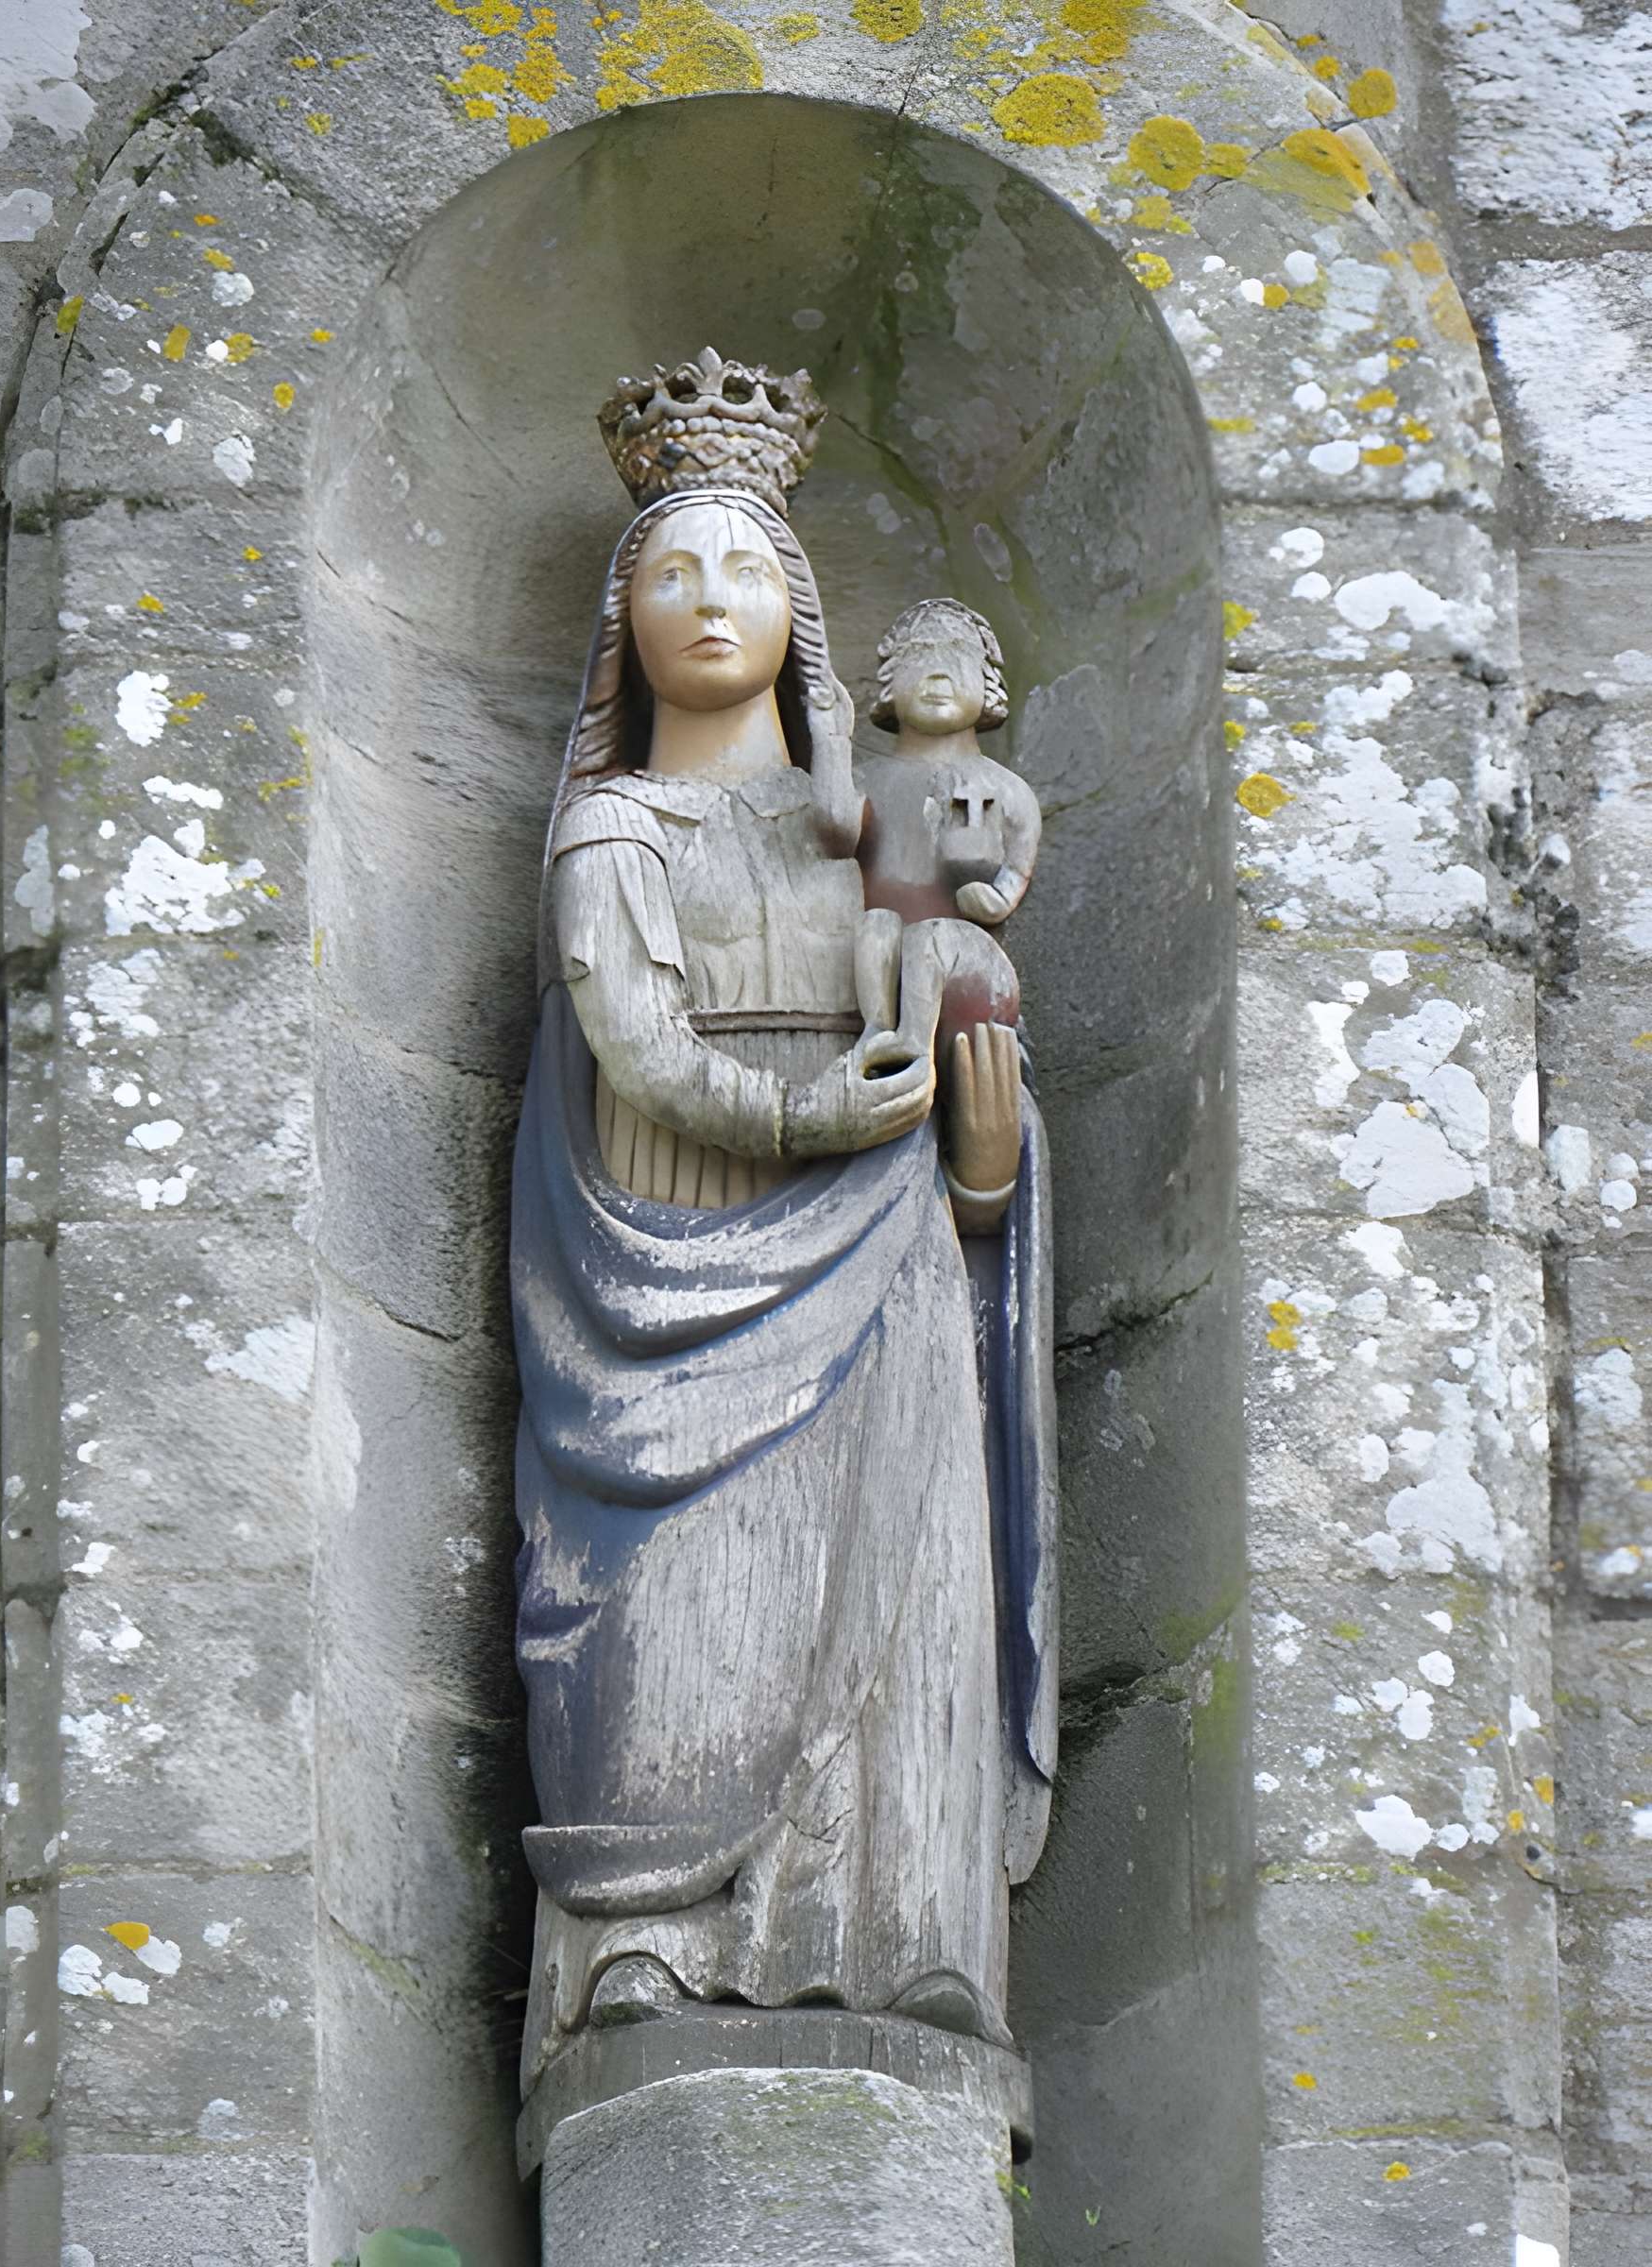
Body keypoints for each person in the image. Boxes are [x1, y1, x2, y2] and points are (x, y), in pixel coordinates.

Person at [507, 354, 1056, 2094]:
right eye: (673, 569)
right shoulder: (612, 826)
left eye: (744, 565)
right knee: (663, 1614)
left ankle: (900, 1954)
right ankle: (639, 1968)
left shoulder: (871, 835)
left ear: (802, 614)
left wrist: (987, 1124)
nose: (710, 598)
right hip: (658, 1258)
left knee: (900, 1605)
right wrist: (801, 1112)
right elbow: (632, 1043)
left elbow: (969, 1058)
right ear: (624, 620)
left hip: (881, 1251)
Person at [852, 599, 1043, 1105]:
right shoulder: (864, 783)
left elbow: (1018, 866)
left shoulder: (1006, 790)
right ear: (890, 682)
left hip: (968, 968)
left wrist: (997, 898)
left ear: (988, 685)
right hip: (875, 967)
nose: (938, 671)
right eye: (920, 655)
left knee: (931, 939)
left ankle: (912, 1046)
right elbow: (833, 841)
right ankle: (876, 1031)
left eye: (957, 655)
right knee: (874, 927)